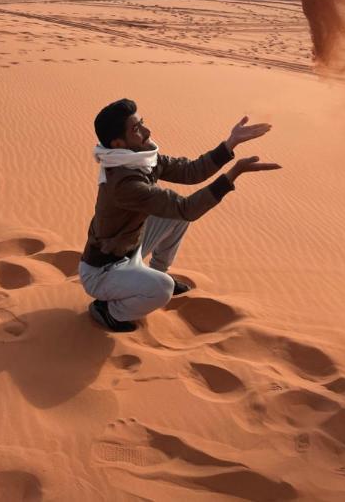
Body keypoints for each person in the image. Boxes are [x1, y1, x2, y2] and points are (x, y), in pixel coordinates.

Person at [79, 98, 281, 332]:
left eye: (142, 123)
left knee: (174, 216)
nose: (146, 131)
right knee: (162, 289)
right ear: (118, 142)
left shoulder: (140, 160)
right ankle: (108, 310)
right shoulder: (124, 183)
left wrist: (230, 144)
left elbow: (190, 172)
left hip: (128, 249)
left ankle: (152, 273)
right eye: (136, 129)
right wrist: (233, 175)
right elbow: (187, 208)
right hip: (104, 271)